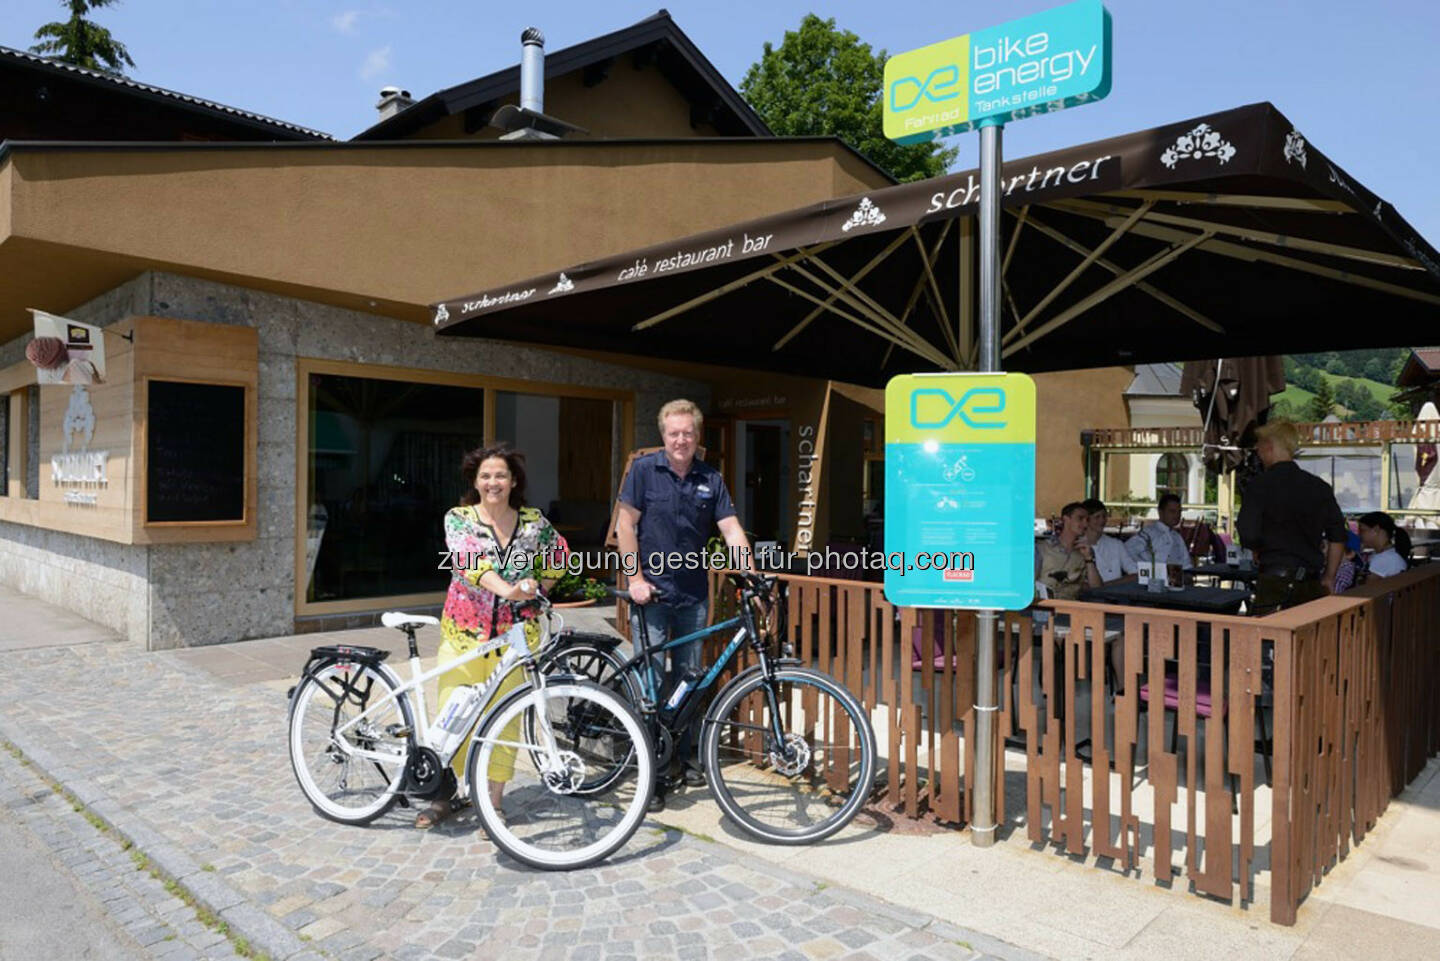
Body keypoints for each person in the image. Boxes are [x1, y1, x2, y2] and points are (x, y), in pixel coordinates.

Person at [417, 445, 568, 829]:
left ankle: (492, 804)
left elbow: (561, 555)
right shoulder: (460, 518)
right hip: (465, 633)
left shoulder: (532, 521)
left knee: (505, 721)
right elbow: (469, 562)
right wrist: (507, 589)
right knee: (454, 716)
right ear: (475, 481)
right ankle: (447, 791)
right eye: (485, 476)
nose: (493, 482)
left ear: (513, 480)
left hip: (517, 638)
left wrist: (539, 591)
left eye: (500, 475)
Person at [616, 399, 752, 810]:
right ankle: (652, 770)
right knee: (653, 682)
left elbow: (730, 529)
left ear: (697, 436)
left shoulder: (711, 477)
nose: (681, 440)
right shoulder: (643, 471)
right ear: (663, 435)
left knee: (691, 678)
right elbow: (625, 525)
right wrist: (634, 578)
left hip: (693, 594)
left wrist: (748, 574)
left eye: (688, 433)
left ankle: (686, 755)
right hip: (651, 593)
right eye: (674, 433)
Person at [1238, 421, 1347, 613]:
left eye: (1259, 447)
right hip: (1311, 584)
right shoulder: (1319, 487)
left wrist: (1257, 547)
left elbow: (1248, 534)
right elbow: (1337, 537)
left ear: (1269, 446)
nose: (1257, 451)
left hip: (1274, 581)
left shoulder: (1259, 485)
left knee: (1270, 640)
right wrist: (1329, 577)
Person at [1034, 502, 1101, 600]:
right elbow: (1028, 583)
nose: (1085, 524)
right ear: (1066, 519)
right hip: (1043, 608)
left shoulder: (1086, 551)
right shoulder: (1041, 548)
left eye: (1087, 520)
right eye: (1080, 518)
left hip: (1072, 609)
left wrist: (1089, 559)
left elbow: (1097, 589)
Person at [1123, 492, 1194, 573]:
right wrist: (1145, 570)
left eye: (1179, 512)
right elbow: (1126, 550)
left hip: (1176, 581)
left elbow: (1186, 564)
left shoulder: (1177, 537)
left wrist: (1188, 575)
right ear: (1160, 512)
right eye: (1172, 511)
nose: (1177, 515)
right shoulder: (1149, 533)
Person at [1081, 498, 1137, 583]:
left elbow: (1135, 573)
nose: (1102, 520)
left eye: (1104, 516)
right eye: (1097, 517)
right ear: (1086, 520)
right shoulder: (1078, 545)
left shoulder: (1116, 544)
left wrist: (1106, 587)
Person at [1357, 511, 1412, 578]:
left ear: (1376, 530)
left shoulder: (1384, 560)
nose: (1359, 534)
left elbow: (1367, 587)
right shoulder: (1390, 554)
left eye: (1362, 530)